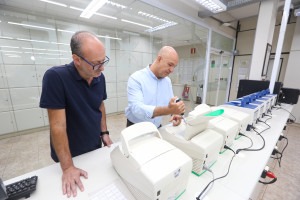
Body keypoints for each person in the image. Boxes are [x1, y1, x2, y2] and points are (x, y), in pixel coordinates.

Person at [40, 31, 113, 198]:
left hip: (94, 146)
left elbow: (100, 105)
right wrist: (67, 168)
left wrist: (104, 133)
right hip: (70, 153)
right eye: (96, 64)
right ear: (77, 59)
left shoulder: (99, 76)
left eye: (104, 61)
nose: (101, 68)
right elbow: (57, 125)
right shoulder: (55, 77)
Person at [125, 46, 185, 128]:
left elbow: (171, 102)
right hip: (136, 128)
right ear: (159, 59)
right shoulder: (136, 78)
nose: (172, 70)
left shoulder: (167, 81)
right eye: (170, 65)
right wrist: (168, 110)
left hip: (156, 127)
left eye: (174, 66)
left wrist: (174, 113)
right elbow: (137, 109)